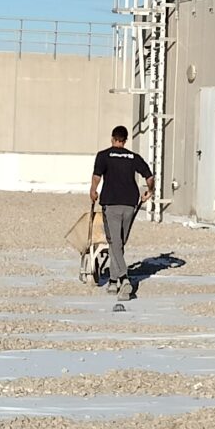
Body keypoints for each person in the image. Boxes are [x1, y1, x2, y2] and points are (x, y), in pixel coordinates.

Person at [89, 125, 156, 300]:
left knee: (114, 242)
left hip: (111, 203)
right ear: (125, 140)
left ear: (112, 139)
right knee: (119, 243)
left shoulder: (103, 155)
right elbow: (149, 176)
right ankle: (112, 280)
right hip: (130, 203)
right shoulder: (133, 157)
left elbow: (97, 176)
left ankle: (124, 279)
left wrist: (93, 190)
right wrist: (150, 190)